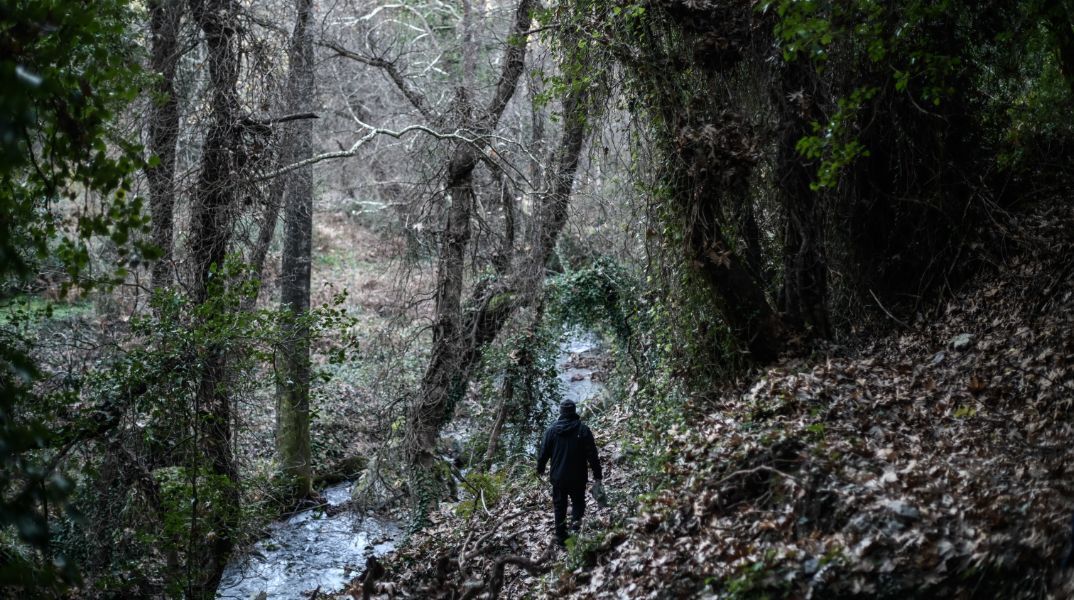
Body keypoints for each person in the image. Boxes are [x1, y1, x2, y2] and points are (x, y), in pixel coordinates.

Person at [537, 399, 603, 546]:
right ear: (574, 412)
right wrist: (598, 475)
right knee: (578, 502)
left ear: (560, 412)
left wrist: (540, 470)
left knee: (560, 506)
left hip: (558, 478)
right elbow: (592, 455)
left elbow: (543, 454)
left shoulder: (551, 431)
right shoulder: (583, 430)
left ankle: (561, 538)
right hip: (578, 477)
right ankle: (576, 527)